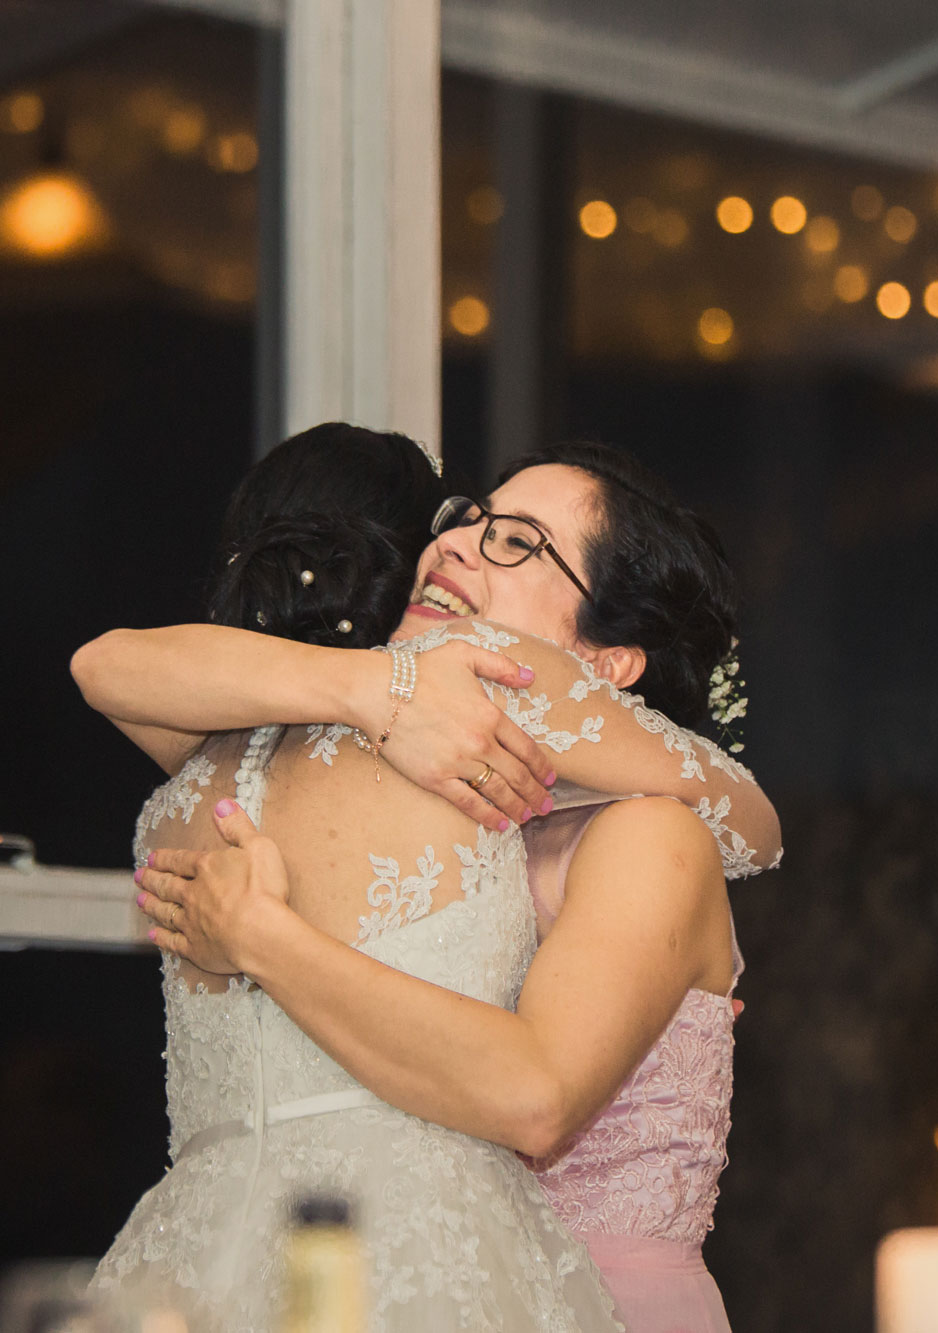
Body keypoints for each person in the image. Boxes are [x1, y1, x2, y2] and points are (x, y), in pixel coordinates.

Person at [77, 429, 776, 1329]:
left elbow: (538, 1095)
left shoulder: (649, 835)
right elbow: (109, 670)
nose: (455, 542)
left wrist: (265, 937)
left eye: (519, 542)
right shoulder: (426, 790)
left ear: (605, 664)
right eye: (472, 516)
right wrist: (377, 690)